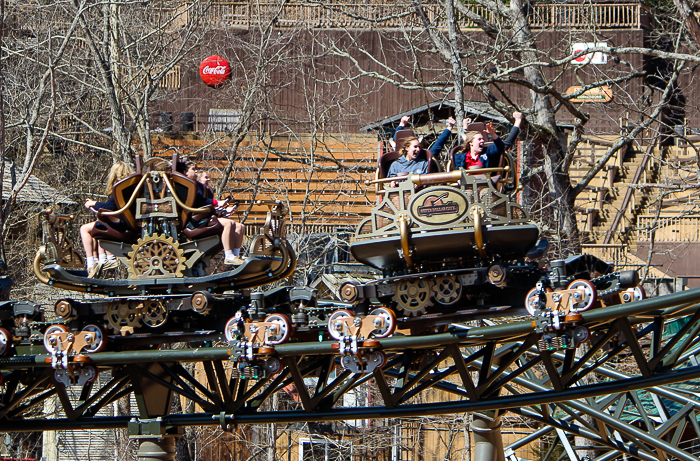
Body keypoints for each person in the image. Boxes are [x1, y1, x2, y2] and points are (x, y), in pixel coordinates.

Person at [178, 162, 246, 266]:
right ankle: (228, 256)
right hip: (194, 222)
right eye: (193, 169)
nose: (196, 171)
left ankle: (235, 256)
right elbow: (199, 202)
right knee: (229, 224)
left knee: (239, 226)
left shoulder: (194, 185)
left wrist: (222, 210)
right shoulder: (187, 186)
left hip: (202, 217)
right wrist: (216, 203)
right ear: (185, 172)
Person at [80, 162, 135, 277]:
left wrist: (93, 203)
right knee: (99, 227)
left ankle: (91, 264)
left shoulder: (120, 189)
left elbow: (109, 207)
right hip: (129, 224)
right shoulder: (132, 188)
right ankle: (106, 259)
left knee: (84, 229)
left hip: (122, 225)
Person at [387, 116, 456, 183]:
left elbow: (438, 145)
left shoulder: (423, 163)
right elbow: (398, 141)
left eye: (419, 147)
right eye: (415, 147)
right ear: (407, 148)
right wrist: (401, 124)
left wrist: (449, 128)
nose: (418, 149)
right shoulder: (396, 165)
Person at [455, 112, 523, 170]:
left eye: (482, 139)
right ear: (471, 143)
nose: (482, 141)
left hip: (486, 182)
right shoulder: (460, 157)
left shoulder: (488, 152)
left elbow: (502, 146)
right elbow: (463, 142)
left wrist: (493, 135)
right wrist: (465, 126)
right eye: (479, 139)